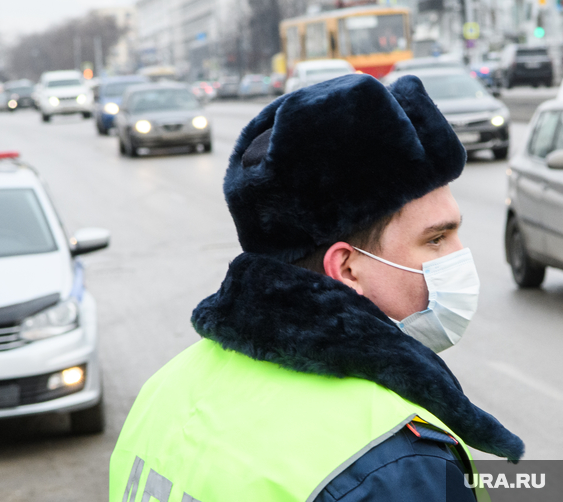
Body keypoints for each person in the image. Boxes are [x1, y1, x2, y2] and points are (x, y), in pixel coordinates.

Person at [109, 74, 524, 502]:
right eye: (436, 239)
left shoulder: (166, 391)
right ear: (346, 268)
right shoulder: (394, 463)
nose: (460, 255)